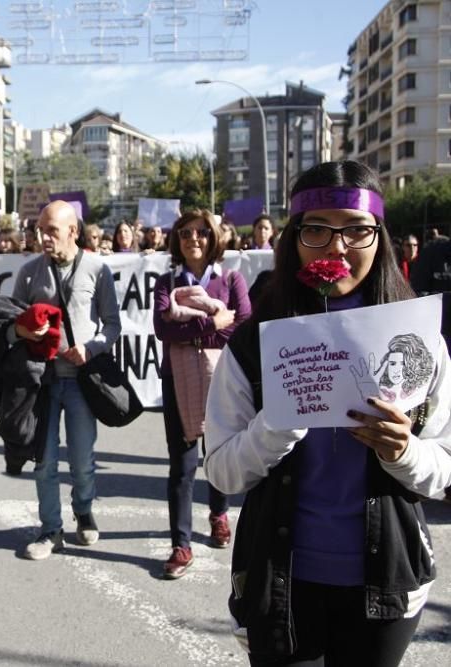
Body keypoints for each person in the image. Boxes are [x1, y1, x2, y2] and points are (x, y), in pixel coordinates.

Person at [205, 161, 451, 665]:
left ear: (379, 237)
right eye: (317, 230)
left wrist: (404, 451)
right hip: (281, 582)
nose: (337, 247)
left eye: (356, 230)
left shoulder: (419, 340)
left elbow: (443, 468)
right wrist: (275, 424)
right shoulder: (255, 343)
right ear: (294, 237)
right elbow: (222, 470)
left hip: (386, 585)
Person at [10, 200, 121, 560]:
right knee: (43, 462)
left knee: (82, 459)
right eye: (40, 230)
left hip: (81, 382)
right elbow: (11, 325)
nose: (43, 237)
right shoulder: (28, 273)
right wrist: (29, 331)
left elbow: (113, 325)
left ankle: (84, 509)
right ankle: (50, 530)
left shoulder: (97, 269)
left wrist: (90, 348)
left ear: (73, 231)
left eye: (51, 230)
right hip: (41, 383)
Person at [152, 210, 251, 579]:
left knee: (219, 454)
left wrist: (190, 331)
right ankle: (181, 543)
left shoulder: (231, 280)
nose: (194, 238)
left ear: (214, 239)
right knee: (182, 464)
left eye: (201, 233)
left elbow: (240, 327)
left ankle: (218, 515)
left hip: (222, 380)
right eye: (185, 233)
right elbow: (163, 329)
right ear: (177, 240)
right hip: (176, 381)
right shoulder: (167, 282)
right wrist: (210, 323)